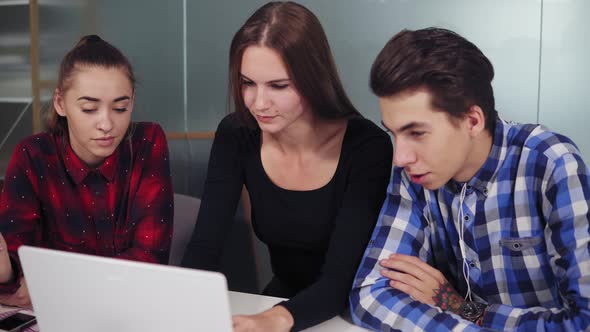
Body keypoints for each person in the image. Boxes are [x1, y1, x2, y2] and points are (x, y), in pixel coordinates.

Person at [349, 27, 590, 331]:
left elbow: (584, 321)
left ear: (472, 120)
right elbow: (370, 295)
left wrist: (466, 310)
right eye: (393, 133)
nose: (400, 157)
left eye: (416, 133)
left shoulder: (550, 162)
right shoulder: (412, 173)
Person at [181, 2, 392, 331]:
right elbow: (206, 245)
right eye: (247, 83)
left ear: (313, 79)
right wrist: (175, 303)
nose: (258, 103)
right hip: (282, 302)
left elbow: (340, 279)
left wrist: (275, 319)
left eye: (278, 86)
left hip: (354, 309)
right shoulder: (237, 134)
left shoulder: (367, 147)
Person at [0, 35, 174, 308]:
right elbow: (18, 270)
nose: (106, 124)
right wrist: (7, 271)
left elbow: (149, 259)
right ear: (60, 103)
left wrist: (54, 286)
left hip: (130, 309)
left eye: (120, 107)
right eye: (89, 108)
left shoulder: (146, 142)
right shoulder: (33, 156)